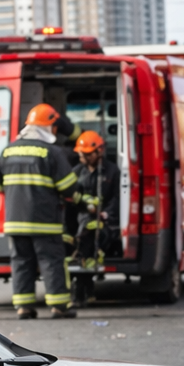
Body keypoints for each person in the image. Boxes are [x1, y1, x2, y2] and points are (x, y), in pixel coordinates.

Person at [0, 104, 79, 319]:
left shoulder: (8, 150)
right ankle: (59, 307)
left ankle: (24, 307)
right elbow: (68, 187)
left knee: (21, 262)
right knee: (51, 261)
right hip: (44, 221)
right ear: (49, 126)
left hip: (14, 221)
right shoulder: (51, 152)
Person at [69, 130, 120, 304]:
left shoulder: (112, 171)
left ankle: (82, 289)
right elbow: (70, 196)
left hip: (105, 222)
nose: (83, 157)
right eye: (81, 154)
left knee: (88, 240)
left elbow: (117, 198)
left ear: (100, 152)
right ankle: (85, 288)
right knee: (83, 241)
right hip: (81, 220)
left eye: (87, 154)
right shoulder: (76, 172)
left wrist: (105, 214)